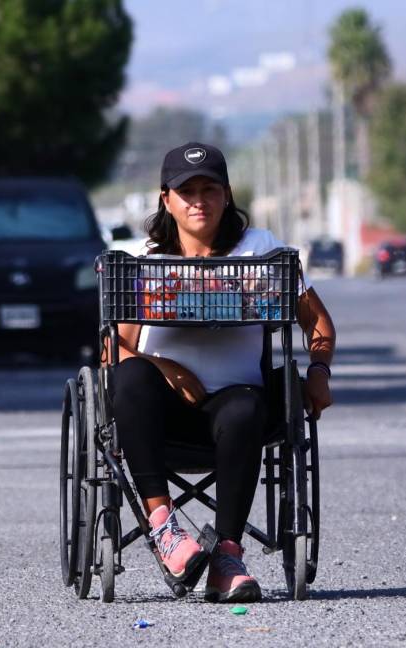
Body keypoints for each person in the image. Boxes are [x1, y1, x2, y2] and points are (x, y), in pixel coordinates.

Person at [111, 142, 336, 603]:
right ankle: (166, 529)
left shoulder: (263, 251)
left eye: (209, 189)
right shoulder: (146, 262)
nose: (198, 200)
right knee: (129, 377)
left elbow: (317, 322)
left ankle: (227, 559)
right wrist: (163, 365)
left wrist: (318, 370)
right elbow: (114, 348)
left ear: (227, 194)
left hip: (237, 411)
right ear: (166, 199)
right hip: (162, 413)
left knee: (244, 406)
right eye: (186, 190)